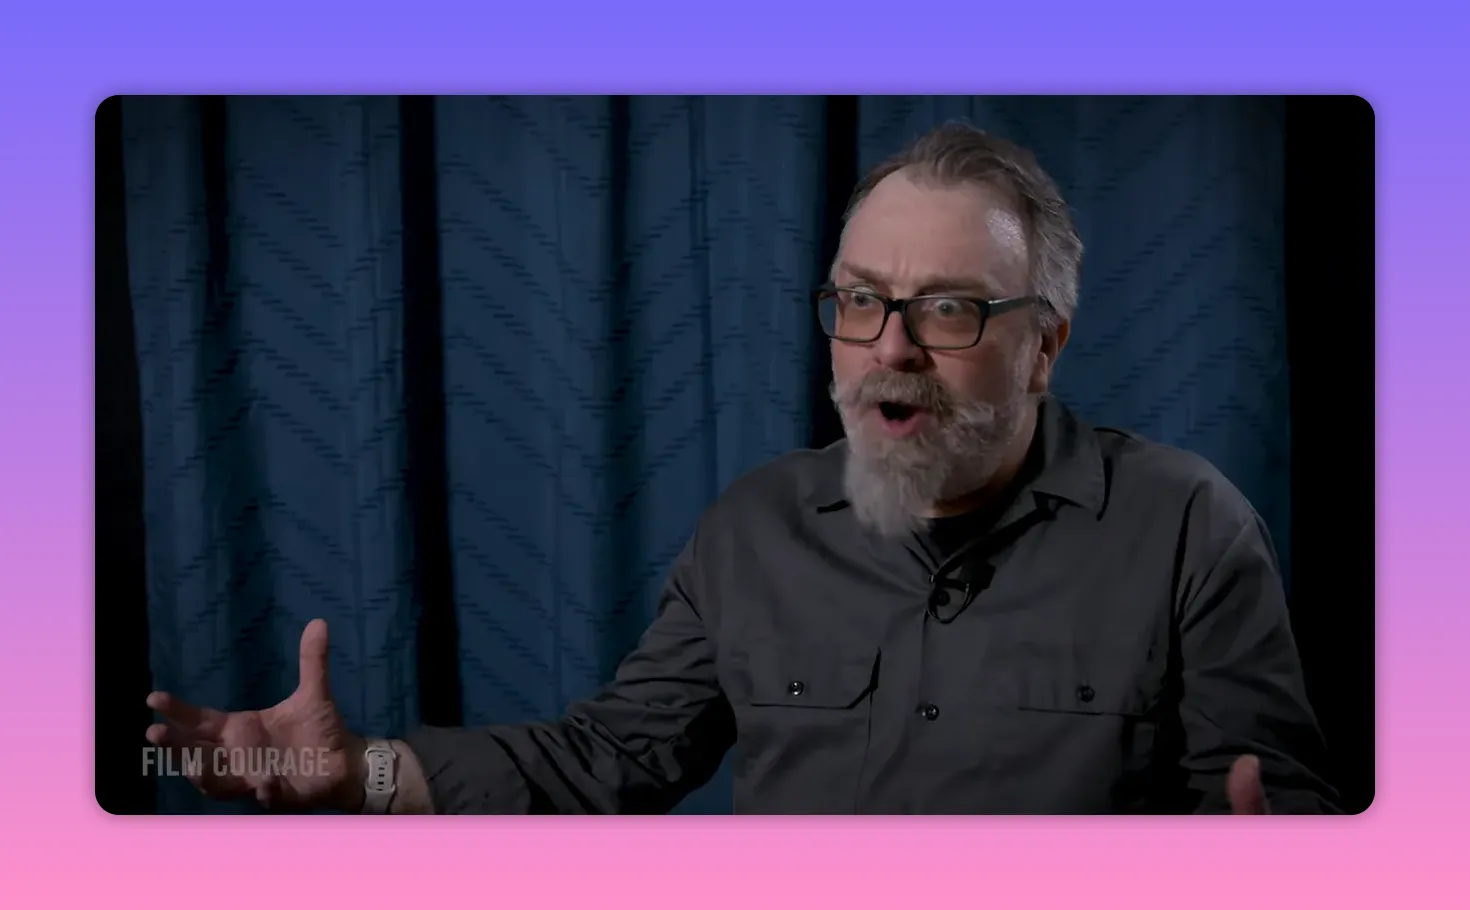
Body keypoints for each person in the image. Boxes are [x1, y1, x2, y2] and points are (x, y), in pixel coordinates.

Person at [144, 122, 1338, 815]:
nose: (890, 353)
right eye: (861, 302)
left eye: (950, 312)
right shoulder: (757, 523)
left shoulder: (1189, 523)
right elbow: (604, 761)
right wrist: (364, 772)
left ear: (1046, 345)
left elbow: (1270, 815)